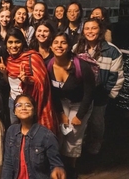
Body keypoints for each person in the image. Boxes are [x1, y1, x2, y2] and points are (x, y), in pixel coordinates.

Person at [73, 18, 124, 155]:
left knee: (96, 122)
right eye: (87, 28)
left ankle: (95, 144)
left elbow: (117, 76)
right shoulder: (77, 48)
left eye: (94, 28)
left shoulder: (112, 51)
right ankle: (80, 145)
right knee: (81, 120)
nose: (90, 31)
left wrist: (108, 94)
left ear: (100, 30)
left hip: (99, 94)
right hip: (81, 94)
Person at [48, 32, 95, 177]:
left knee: (74, 134)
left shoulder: (82, 66)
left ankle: (72, 167)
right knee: (61, 132)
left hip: (80, 102)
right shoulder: (49, 65)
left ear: (69, 46)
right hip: (62, 102)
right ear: (51, 46)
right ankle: (59, 164)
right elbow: (53, 93)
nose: (59, 46)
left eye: (63, 43)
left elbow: (89, 93)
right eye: (56, 42)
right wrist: (61, 113)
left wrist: (79, 115)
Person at [0, 28, 56, 133]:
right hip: (13, 102)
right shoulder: (8, 60)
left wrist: (27, 80)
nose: (14, 46)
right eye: (10, 42)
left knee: (31, 133)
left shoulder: (32, 57)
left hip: (30, 104)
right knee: (16, 132)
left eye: (17, 42)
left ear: (22, 42)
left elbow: (43, 82)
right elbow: (11, 83)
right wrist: (4, 73)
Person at [1, 95, 66, 179]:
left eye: (28, 105)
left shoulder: (46, 136)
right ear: (14, 111)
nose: (23, 108)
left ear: (34, 110)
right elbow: (8, 163)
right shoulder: (11, 131)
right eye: (19, 105)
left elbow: (56, 164)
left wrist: (57, 169)